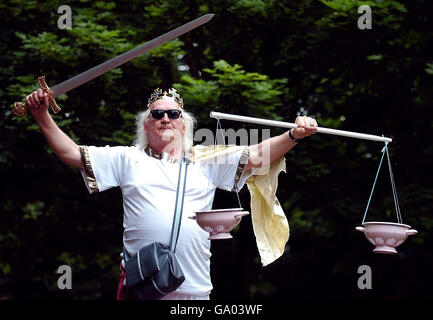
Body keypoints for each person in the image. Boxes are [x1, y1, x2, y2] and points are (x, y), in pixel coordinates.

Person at [24, 87, 318, 300]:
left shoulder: (206, 159)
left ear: (184, 123)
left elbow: (255, 156)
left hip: (195, 289)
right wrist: (41, 116)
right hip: (143, 288)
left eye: (173, 113)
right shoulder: (127, 158)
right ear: (146, 123)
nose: (165, 118)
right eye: (158, 113)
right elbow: (71, 153)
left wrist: (293, 135)